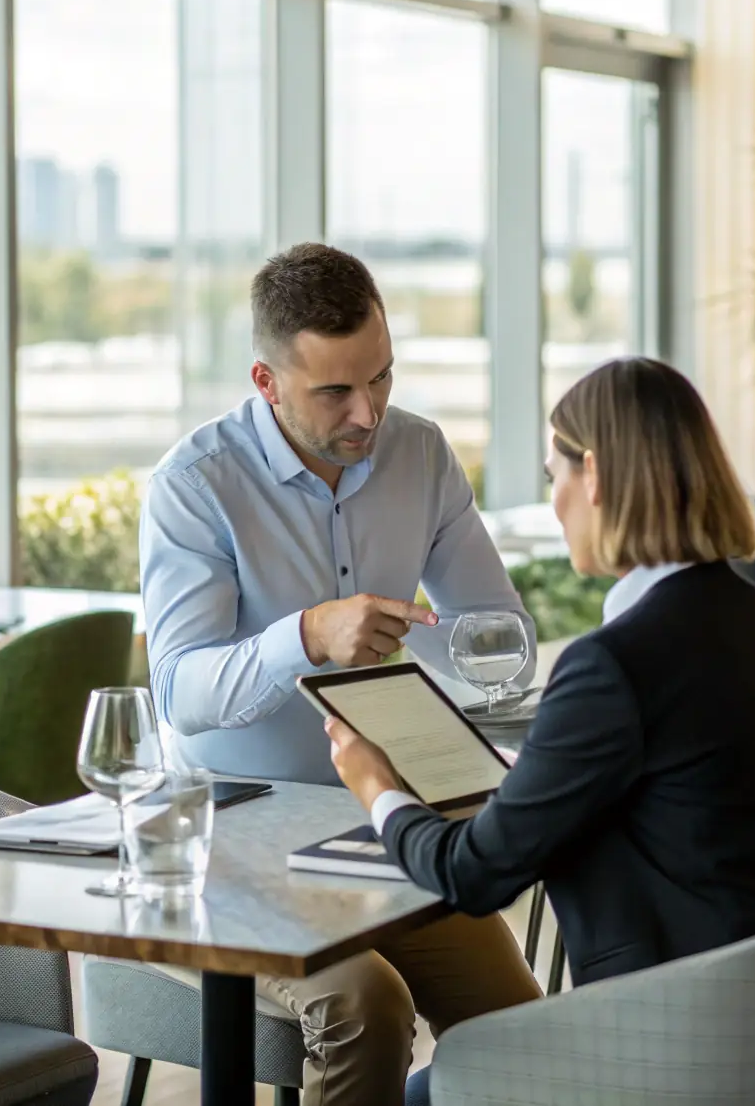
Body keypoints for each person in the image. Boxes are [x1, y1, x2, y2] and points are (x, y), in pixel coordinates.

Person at [326, 356, 755, 1106]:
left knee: (423, 1094)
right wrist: (536, 771)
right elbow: (689, 798)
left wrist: (375, 783)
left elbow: (471, 874)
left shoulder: (614, 664)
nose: (556, 503)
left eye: (554, 477)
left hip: (677, 1045)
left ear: (596, 475)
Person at [140, 242, 541, 1106]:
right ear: (266, 379)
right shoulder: (196, 484)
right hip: (224, 845)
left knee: (523, 1029)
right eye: (335, 391)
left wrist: (437, 646)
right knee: (365, 1002)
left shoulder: (422, 455)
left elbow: (501, 638)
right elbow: (181, 695)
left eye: (383, 377)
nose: (369, 412)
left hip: (377, 828)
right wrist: (308, 638)